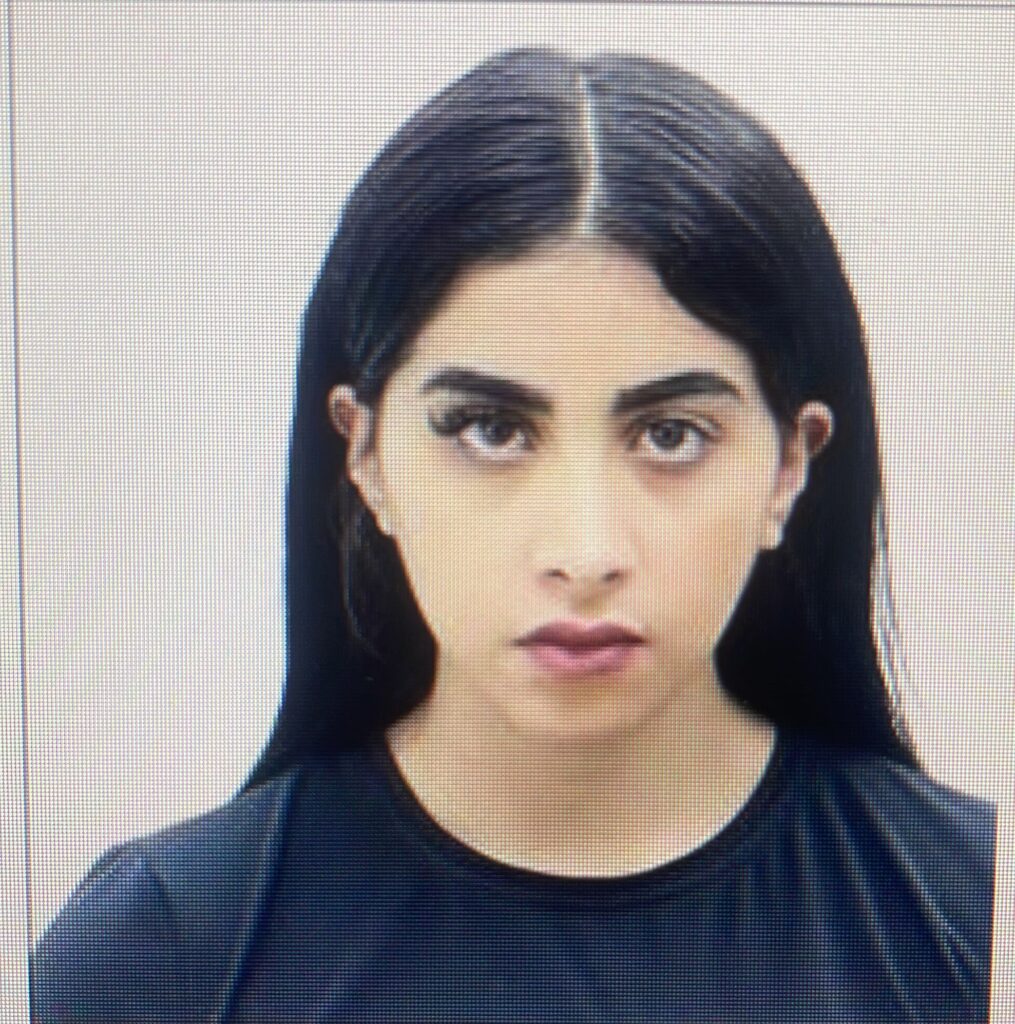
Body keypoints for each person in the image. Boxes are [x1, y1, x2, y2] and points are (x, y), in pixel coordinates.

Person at [30, 48, 995, 1023]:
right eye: (489, 429)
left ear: (790, 464)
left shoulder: (978, 922)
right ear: (364, 454)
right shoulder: (161, 956)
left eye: (670, 434)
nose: (583, 552)